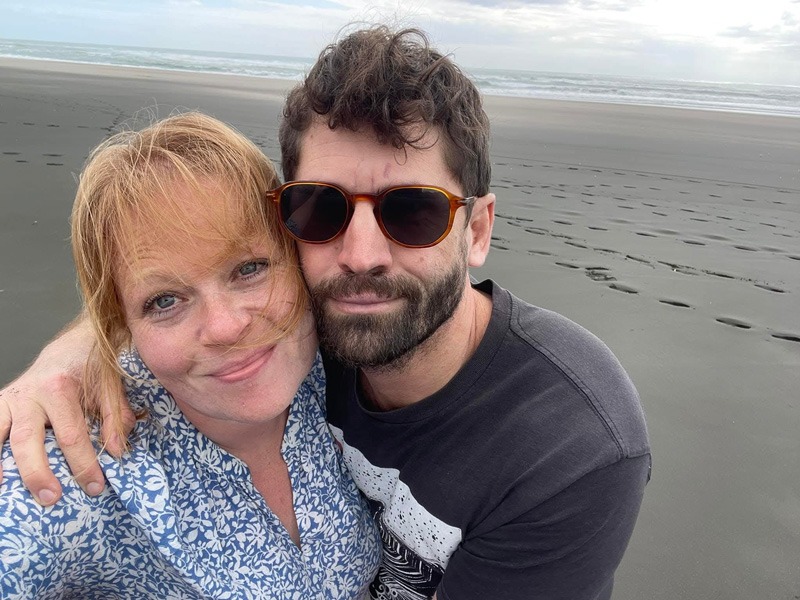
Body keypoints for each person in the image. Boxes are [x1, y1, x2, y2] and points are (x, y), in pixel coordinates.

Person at [0, 26, 651, 600]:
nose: (361, 257)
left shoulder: (569, 444)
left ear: (477, 231)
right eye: (325, 209)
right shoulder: (297, 340)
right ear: (295, 227)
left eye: (412, 212)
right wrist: (68, 356)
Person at [0, 112, 380, 598]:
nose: (225, 327)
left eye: (249, 268)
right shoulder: (85, 468)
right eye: (164, 301)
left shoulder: (343, 358)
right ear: (123, 322)